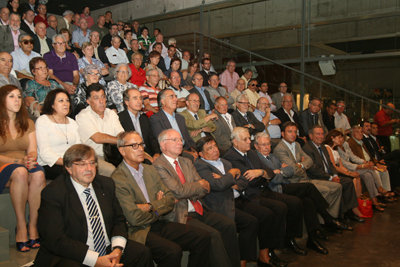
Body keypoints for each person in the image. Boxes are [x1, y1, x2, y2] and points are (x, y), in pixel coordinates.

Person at [32, 144, 154, 267]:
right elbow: (55, 239)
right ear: (68, 168)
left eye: (92, 163)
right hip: (72, 252)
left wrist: (117, 249)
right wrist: (95, 260)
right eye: (82, 164)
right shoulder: (54, 193)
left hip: (107, 247)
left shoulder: (106, 184)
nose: (89, 168)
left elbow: (119, 220)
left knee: (141, 252)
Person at [111, 131, 211, 267]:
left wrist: (150, 207)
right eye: (134, 146)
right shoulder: (118, 178)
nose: (141, 149)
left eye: (141, 144)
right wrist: (158, 207)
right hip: (139, 230)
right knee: (172, 251)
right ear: (122, 150)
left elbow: (169, 200)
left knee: (202, 237)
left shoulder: (149, 169)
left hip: (159, 221)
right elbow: (133, 218)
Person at [153, 129, 240, 267]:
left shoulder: (186, 161)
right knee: (212, 235)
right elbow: (178, 191)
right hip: (180, 213)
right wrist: (196, 186)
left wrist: (192, 188)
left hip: (199, 206)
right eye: (174, 140)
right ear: (163, 145)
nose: (180, 143)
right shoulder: (158, 166)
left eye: (180, 139)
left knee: (228, 225)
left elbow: (205, 189)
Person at [195, 136, 285, 266]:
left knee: (267, 214)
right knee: (250, 222)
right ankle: (242, 263)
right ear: (201, 154)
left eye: (215, 146)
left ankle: (264, 256)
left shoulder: (225, 162)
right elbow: (218, 185)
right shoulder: (200, 166)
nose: (215, 150)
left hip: (239, 199)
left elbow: (244, 182)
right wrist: (232, 174)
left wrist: (228, 181)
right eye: (210, 148)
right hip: (222, 204)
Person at [223, 127, 309, 258]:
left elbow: (268, 171)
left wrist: (261, 173)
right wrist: (264, 176)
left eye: (249, 139)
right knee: (278, 209)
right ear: (235, 142)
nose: (248, 142)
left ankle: (288, 240)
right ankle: (270, 251)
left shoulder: (251, 153)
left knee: (295, 202)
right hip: (251, 195)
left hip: (263, 189)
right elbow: (249, 181)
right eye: (245, 139)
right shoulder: (231, 156)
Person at [255, 132, 347, 254]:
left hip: (284, 185)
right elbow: (272, 178)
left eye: (268, 144)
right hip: (275, 189)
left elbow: (290, 170)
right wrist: (279, 173)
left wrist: (279, 172)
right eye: (263, 145)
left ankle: (312, 239)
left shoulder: (272, 157)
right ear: (256, 146)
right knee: (308, 187)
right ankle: (327, 217)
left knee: (308, 201)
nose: (267, 147)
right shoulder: (256, 159)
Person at [0, 84, 46, 252]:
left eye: (19, 96)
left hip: (22, 163)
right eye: (11, 96)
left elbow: (32, 149)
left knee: (39, 174)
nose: (17, 100)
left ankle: (32, 225)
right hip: (4, 166)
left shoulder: (27, 122)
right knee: (20, 171)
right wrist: (20, 161)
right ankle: (20, 227)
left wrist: (30, 159)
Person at [273, 122, 343, 219]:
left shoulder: (297, 144)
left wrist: (301, 165)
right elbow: (293, 170)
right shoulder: (280, 149)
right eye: (290, 132)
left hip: (305, 179)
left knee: (337, 187)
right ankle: (325, 219)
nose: (293, 134)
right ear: (283, 134)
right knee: (326, 190)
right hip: (294, 181)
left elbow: (309, 160)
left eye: (295, 132)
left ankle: (329, 218)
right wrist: (303, 167)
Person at [303, 125, 360, 220]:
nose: (321, 136)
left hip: (328, 175)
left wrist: (335, 175)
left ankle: (349, 212)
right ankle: (338, 215)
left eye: (322, 133)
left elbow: (330, 163)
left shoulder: (323, 146)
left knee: (348, 181)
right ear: (311, 136)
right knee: (339, 185)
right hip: (318, 177)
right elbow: (313, 169)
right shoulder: (307, 148)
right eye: (318, 134)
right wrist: (330, 178)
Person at [325, 129, 387, 213]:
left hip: (345, 168)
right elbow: (337, 166)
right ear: (332, 138)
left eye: (342, 137)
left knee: (368, 173)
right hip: (339, 171)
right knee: (356, 177)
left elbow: (352, 157)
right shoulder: (328, 148)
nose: (342, 139)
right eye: (339, 137)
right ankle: (360, 204)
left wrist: (365, 162)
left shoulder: (340, 146)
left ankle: (367, 201)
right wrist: (354, 170)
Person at [76, 84, 124, 176]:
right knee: (112, 171)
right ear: (88, 101)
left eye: (103, 97)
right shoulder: (83, 116)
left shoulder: (111, 114)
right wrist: (121, 141)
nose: (101, 101)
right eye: (96, 98)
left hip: (113, 154)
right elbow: (98, 138)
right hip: (92, 156)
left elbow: (120, 133)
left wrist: (123, 140)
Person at [36, 88, 81, 180]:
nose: (66, 104)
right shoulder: (43, 121)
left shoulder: (72, 122)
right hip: (49, 164)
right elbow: (45, 153)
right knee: (76, 174)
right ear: (52, 104)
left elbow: (78, 147)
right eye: (61, 101)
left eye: (67, 101)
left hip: (71, 163)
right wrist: (69, 163)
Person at [150, 89, 198, 161]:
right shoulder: (156, 119)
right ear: (163, 101)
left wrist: (194, 150)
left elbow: (188, 138)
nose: (176, 99)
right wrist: (187, 153)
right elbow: (164, 143)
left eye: (175, 96)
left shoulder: (180, 118)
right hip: (172, 152)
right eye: (171, 96)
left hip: (187, 150)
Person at [346, 125, 394, 196]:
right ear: (352, 134)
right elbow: (354, 159)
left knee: (384, 170)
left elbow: (369, 156)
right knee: (375, 172)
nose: (360, 133)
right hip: (362, 165)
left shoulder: (361, 141)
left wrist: (377, 163)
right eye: (357, 132)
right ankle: (378, 195)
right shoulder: (350, 143)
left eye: (361, 132)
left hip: (369, 163)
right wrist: (368, 164)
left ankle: (386, 193)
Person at [118, 88, 161, 163]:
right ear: (127, 102)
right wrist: (145, 156)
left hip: (148, 152)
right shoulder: (120, 118)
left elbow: (152, 139)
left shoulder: (144, 118)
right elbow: (125, 144)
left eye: (140, 98)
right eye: (135, 98)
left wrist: (157, 153)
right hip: (132, 155)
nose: (139, 101)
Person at [363, 121, 400, 194]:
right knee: (397, 154)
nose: (370, 128)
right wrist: (377, 162)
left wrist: (382, 150)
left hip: (380, 158)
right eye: (373, 128)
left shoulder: (374, 139)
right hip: (375, 160)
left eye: (370, 127)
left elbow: (385, 149)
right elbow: (370, 154)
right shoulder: (365, 139)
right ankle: (391, 189)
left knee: (397, 161)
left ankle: (393, 188)